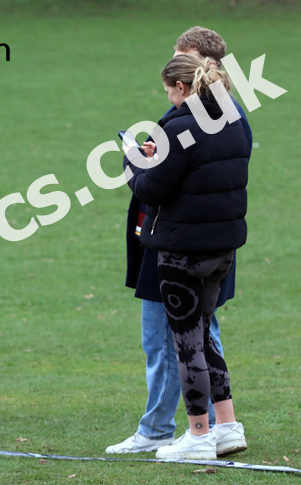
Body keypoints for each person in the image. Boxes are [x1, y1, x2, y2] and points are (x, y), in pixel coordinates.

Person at [107, 27, 252, 455]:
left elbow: (155, 188)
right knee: (203, 334)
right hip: (220, 241)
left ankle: (190, 433)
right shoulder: (233, 117)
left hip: (180, 243)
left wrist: (136, 163)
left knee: (182, 340)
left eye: (180, 59)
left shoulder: (187, 122)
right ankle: (224, 426)